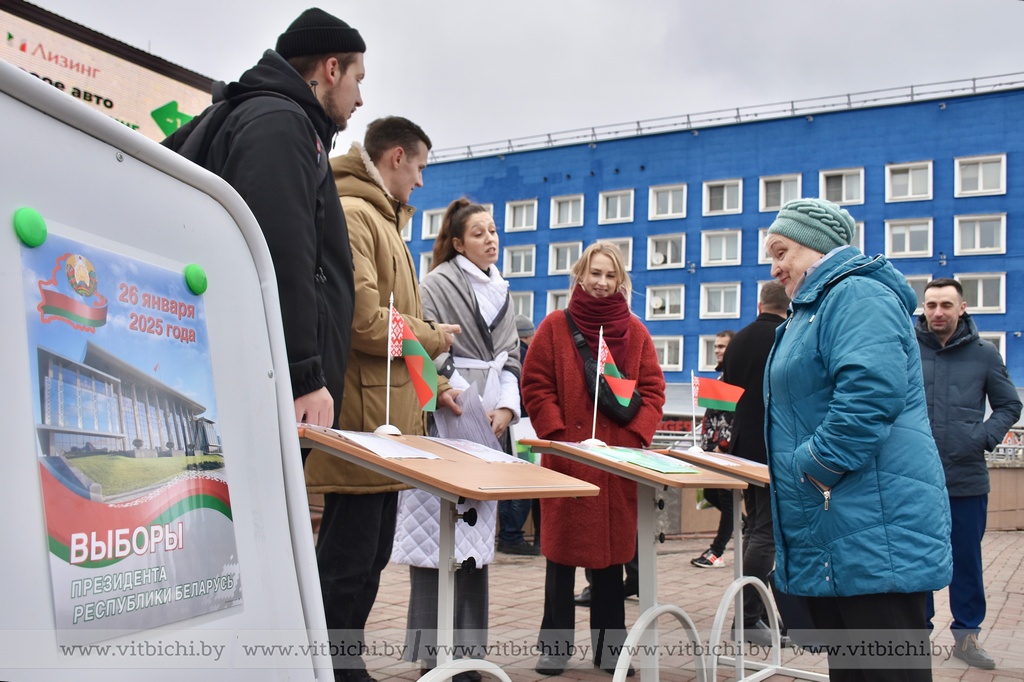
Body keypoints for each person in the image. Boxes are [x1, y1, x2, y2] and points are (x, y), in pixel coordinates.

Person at [764, 198, 952, 681]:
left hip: (870, 517)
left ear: (816, 247)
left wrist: (815, 465)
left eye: (781, 251)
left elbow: (870, 394)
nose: (775, 266)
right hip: (849, 515)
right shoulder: (819, 304)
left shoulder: (854, 295)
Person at [304, 116, 461, 682]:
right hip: (366, 423)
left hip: (390, 424)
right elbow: (366, 324)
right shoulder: (356, 216)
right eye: (419, 167)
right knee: (347, 563)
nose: (421, 181)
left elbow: (390, 326)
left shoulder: (383, 221)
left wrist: (433, 387)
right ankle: (330, 670)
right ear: (396, 157)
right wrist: (434, 337)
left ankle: (346, 669)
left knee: (368, 561)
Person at [162, 7, 363, 429]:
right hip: (274, 390)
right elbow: (280, 252)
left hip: (257, 377)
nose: (359, 98)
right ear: (331, 69)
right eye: (357, 78)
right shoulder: (281, 124)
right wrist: (302, 373)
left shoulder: (261, 116)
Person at [391, 198, 523, 678]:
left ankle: (470, 652)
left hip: (491, 421)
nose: (491, 238)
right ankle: (433, 652)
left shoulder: (502, 290)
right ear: (456, 241)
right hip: (445, 413)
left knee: (476, 539)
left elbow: (509, 353)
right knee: (436, 536)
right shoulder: (435, 284)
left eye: (494, 230)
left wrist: (506, 405)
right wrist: (460, 395)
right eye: (480, 232)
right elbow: (419, 345)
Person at [523, 243, 666, 676]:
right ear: (580, 276)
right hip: (568, 462)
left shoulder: (636, 332)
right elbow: (536, 384)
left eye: (610, 275)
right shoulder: (554, 326)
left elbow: (655, 393)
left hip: (615, 466)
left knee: (610, 565)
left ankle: (611, 653)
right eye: (595, 273)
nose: (602, 282)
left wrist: (631, 437)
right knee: (560, 561)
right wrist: (558, 436)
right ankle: (554, 648)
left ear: (620, 279)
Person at [916, 278, 1021, 670]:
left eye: (946, 304)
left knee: (966, 560)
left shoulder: (985, 354)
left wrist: (981, 437)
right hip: (915, 478)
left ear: (962, 308)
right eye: (930, 305)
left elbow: (1010, 405)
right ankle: (916, 634)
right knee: (916, 559)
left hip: (966, 478)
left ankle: (967, 637)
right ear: (923, 308)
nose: (937, 312)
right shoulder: (907, 349)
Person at [720, 282, 790, 645]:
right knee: (767, 531)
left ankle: (757, 614)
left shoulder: (739, 340)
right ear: (788, 302)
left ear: (760, 302)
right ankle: (747, 619)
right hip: (775, 447)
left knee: (753, 528)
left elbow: (727, 391)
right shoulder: (787, 335)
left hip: (741, 446)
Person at [691, 329, 736, 569]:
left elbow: (737, 414)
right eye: (716, 346)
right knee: (710, 495)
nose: (717, 350)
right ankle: (745, 524)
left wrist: (724, 445)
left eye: (723, 346)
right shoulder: (720, 378)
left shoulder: (736, 377)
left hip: (724, 451)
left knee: (728, 500)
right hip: (709, 449)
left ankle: (717, 551)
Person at [499, 314, 542, 555]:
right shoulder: (526, 356)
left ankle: (508, 534)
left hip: (508, 426)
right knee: (525, 482)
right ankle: (512, 536)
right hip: (524, 428)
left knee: (508, 483)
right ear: (528, 335)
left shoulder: (507, 354)